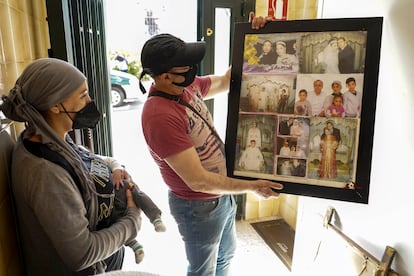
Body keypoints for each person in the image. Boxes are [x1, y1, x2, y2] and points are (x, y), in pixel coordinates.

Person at [138, 33, 283, 276]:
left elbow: (228, 80)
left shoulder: (186, 86)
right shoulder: (159, 116)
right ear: (165, 76)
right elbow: (198, 180)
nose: (193, 69)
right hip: (197, 206)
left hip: (221, 196)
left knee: (226, 255)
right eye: (186, 66)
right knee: (202, 270)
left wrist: (256, 38)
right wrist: (251, 186)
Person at [0, 58, 141, 275]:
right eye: (83, 95)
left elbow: (86, 160)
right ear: (55, 105)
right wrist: (132, 221)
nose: (90, 101)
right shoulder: (43, 172)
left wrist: (115, 167)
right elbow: (82, 254)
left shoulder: (49, 137)